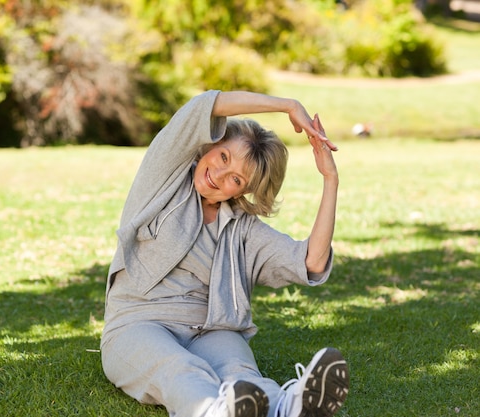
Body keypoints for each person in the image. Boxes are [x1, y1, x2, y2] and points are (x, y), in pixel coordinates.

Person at [100, 90, 349, 417]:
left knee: (241, 374)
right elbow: (206, 105)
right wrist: (287, 105)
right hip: (137, 322)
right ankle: (214, 412)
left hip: (212, 329)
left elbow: (311, 262)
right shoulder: (165, 177)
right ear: (212, 145)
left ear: (245, 191)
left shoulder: (243, 229)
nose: (218, 176)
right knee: (180, 368)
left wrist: (330, 180)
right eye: (223, 158)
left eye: (235, 178)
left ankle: (290, 408)